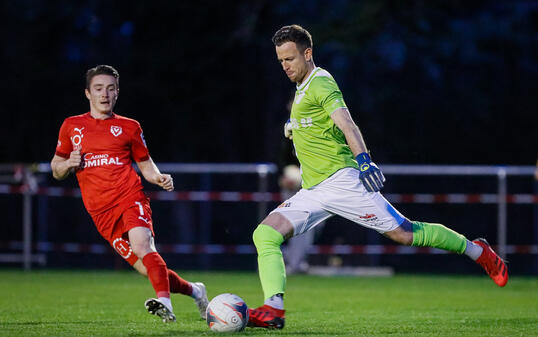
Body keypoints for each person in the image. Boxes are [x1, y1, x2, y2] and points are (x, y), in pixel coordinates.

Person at [247, 25, 508, 330]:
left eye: (290, 58)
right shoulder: (302, 88)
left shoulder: (321, 82)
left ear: (308, 53)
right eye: (281, 61)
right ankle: (273, 309)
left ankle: (479, 251)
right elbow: (318, 126)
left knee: (405, 234)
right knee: (264, 234)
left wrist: (365, 161)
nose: (285, 66)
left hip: (342, 183)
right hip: (314, 190)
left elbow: (347, 124)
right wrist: (295, 128)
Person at [50, 65, 208, 323]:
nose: (105, 94)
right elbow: (56, 168)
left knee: (143, 244)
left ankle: (165, 303)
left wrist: (158, 177)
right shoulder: (71, 126)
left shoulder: (129, 127)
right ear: (88, 93)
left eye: (110, 89)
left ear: (117, 93)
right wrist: (68, 165)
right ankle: (195, 291)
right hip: (100, 212)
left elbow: (146, 165)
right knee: (148, 268)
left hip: (129, 196)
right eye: (99, 89)